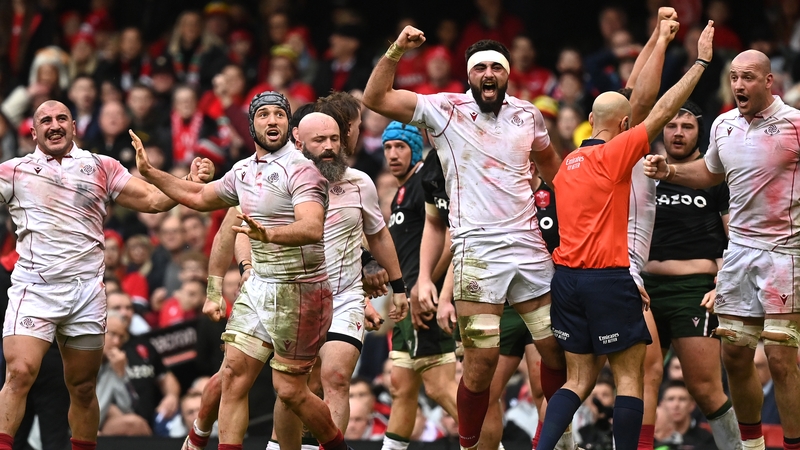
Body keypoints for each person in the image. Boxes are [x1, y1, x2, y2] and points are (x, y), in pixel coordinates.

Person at [135, 92, 402, 450]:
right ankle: (203, 439)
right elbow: (200, 199)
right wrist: (151, 172)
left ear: (288, 126)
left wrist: (269, 234)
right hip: (261, 286)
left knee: (293, 390)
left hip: (304, 292)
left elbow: (311, 228)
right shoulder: (245, 171)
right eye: (264, 114)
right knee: (231, 375)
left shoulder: (304, 171)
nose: (271, 120)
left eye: (279, 114)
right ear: (253, 125)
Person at [363, 26, 568, 450]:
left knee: (555, 354)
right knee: (479, 367)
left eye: (496, 67)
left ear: (507, 75)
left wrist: (575, 207)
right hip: (477, 253)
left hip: (531, 249)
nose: (488, 73)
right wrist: (397, 48)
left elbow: (554, 168)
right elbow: (375, 98)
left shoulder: (528, 114)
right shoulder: (444, 108)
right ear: (468, 76)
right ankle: (470, 445)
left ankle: (561, 441)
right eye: (480, 68)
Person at [534, 20, 716, 450]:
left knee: (578, 380)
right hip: (613, 275)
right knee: (634, 376)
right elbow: (660, 107)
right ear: (624, 125)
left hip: (566, 280)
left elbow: (636, 95)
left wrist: (659, 35)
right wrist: (701, 62)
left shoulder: (568, 163)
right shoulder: (618, 155)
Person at [0, 100, 212, 450]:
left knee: (83, 387)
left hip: (86, 294)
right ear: (34, 131)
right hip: (34, 290)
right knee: (19, 373)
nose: (54, 125)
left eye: (61, 118)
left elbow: (154, 201)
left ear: (74, 126)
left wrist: (187, 181)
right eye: (45, 120)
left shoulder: (101, 166)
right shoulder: (13, 171)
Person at [646, 46, 800, 449]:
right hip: (739, 255)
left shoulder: (795, 124)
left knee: (782, 360)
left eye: (748, 77)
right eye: (734, 77)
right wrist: (672, 171)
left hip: (785, 253)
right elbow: (710, 173)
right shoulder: (723, 125)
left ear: (769, 81)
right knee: (734, 354)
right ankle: (751, 446)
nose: (738, 85)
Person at [642, 100, 742, 450]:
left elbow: (737, 237)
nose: (678, 133)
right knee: (642, 380)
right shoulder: (645, 173)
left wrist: (723, 285)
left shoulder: (715, 177)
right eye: (672, 126)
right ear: (661, 131)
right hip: (644, 289)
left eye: (687, 127)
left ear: (701, 132)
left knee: (705, 388)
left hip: (695, 290)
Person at [380, 122, 459, 450]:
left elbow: (451, 234)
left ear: (415, 148)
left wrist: (426, 287)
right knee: (401, 386)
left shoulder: (424, 180)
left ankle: (490, 444)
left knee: (440, 387)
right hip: (405, 301)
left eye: (401, 146)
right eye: (387, 147)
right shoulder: (401, 191)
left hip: (424, 300)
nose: (393, 153)